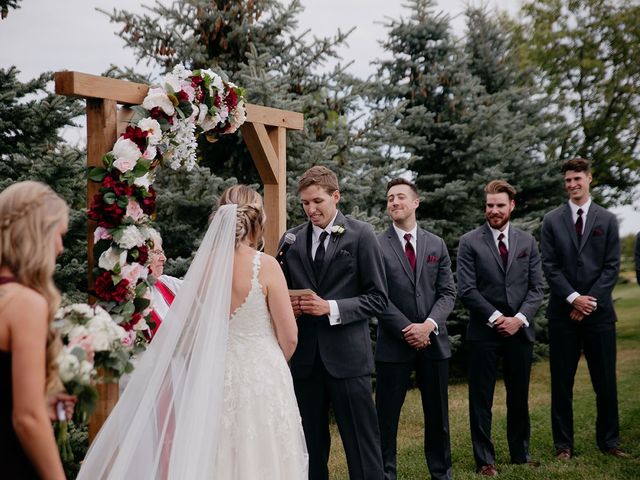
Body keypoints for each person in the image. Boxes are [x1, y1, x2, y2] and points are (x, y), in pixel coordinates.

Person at [79, 185, 308, 479]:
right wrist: (269, 362)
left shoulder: (204, 268)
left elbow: (190, 331)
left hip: (213, 376)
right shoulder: (266, 265)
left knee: (217, 452)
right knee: (266, 452)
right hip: (262, 375)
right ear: (257, 220)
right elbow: (289, 336)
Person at [279, 165, 387, 480]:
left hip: (348, 360)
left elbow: (379, 298)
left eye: (317, 202)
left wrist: (330, 307)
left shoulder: (361, 234)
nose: (311, 210)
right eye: (305, 203)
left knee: (362, 446)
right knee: (309, 448)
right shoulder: (292, 239)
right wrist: (291, 308)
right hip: (305, 362)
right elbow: (277, 292)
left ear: (335, 196)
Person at [457, 180, 544, 476]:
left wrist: (518, 319)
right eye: (489, 205)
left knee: (518, 395)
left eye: (499, 205)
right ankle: (485, 460)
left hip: (520, 331)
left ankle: (521, 453)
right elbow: (467, 289)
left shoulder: (527, 241)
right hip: (484, 332)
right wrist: (497, 318)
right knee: (481, 398)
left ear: (512, 207)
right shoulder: (470, 241)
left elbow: (537, 288)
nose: (493, 210)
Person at [541, 158, 626, 459]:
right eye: (568, 181)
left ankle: (610, 441)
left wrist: (588, 301)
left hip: (599, 315)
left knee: (605, 380)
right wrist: (572, 298)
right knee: (561, 382)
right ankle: (563, 445)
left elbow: (612, 266)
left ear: (590, 178)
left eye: (578, 178)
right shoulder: (551, 220)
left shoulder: (607, 220)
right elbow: (550, 267)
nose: (573, 185)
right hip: (562, 315)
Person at [375, 178, 456, 480]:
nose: (394, 202)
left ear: (415, 202)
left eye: (399, 197)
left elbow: (447, 292)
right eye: (389, 198)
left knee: (438, 417)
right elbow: (377, 296)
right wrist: (408, 329)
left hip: (434, 343)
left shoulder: (436, 244)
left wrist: (428, 326)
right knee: (386, 419)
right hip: (394, 345)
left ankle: (441, 473)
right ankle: (385, 474)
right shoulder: (376, 245)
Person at [0, 181, 75, 480]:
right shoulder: (24, 303)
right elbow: (27, 418)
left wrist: (43, 403)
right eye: (60, 235)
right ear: (39, 233)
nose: (60, 247)